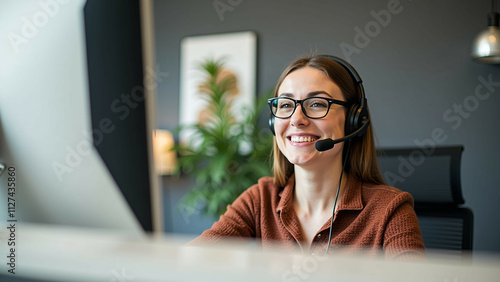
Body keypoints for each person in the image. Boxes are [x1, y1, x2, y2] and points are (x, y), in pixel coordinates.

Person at [188, 54, 425, 259]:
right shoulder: (260, 200)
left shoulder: (390, 211)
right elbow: (185, 263)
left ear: (354, 120)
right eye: (285, 104)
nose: (296, 119)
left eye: (317, 103)